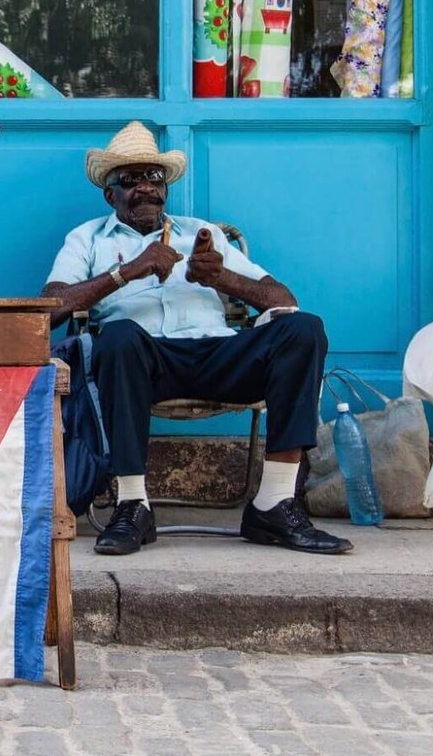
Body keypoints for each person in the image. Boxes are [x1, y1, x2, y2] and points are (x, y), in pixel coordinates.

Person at [41, 121, 350, 556]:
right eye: (129, 180)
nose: (146, 188)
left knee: (304, 328)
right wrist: (127, 271)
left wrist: (220, 276)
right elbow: (50, 308)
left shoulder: (200, 231)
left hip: (218, 354)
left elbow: (284, 298)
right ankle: (133, 506)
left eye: (154, 178)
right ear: (108, 193)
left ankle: (274, 504)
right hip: (144, 363)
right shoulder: (87, 238)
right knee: (118, 337)